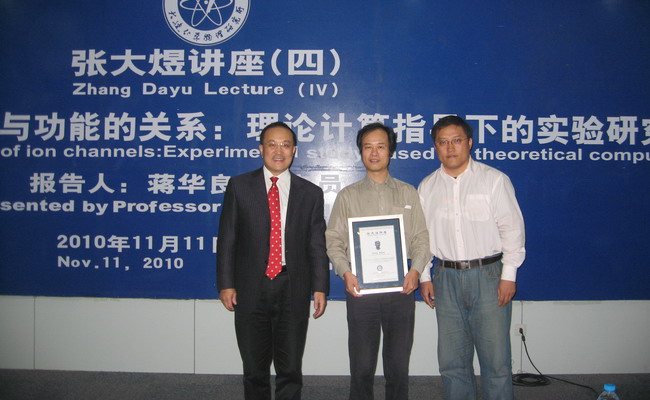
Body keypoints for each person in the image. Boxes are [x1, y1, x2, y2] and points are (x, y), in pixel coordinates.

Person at [216, 121, 330, 400]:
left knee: (290, 367)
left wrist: (320, 287)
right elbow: (228, 238)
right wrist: (226, 284)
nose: (279, 151)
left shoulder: (310, 193)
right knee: (254, 368)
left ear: (294, 151)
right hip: (250, 288)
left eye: (285, 145)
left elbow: (316, 244)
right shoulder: (239, 186)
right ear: (261, 149)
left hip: (293, 286)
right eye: (272, 144)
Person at [418, 115, 526, 400]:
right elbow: (423, 236)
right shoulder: (427, 186)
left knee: (495, 359)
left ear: (469, 143)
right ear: (435, 147)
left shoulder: (494, 180)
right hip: (445, 277)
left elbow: (512, 230)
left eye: (456, 140)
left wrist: (509, 275)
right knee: (452, 360)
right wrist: (425, 275)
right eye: (442, 142)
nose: (450, 147)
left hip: (488, 276)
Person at [326, 122, 431, 400]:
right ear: (360, 152)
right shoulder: (347, 196)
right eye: (368, 147)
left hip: (401, 287)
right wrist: (345, 272)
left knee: (398, 366)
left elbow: (421, 237)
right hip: (361, 288)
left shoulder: (408, 193)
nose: (374, 153)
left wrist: (416, 270)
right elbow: (333, 239)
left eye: (380, 146)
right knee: (361, 366)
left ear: (390, 151)